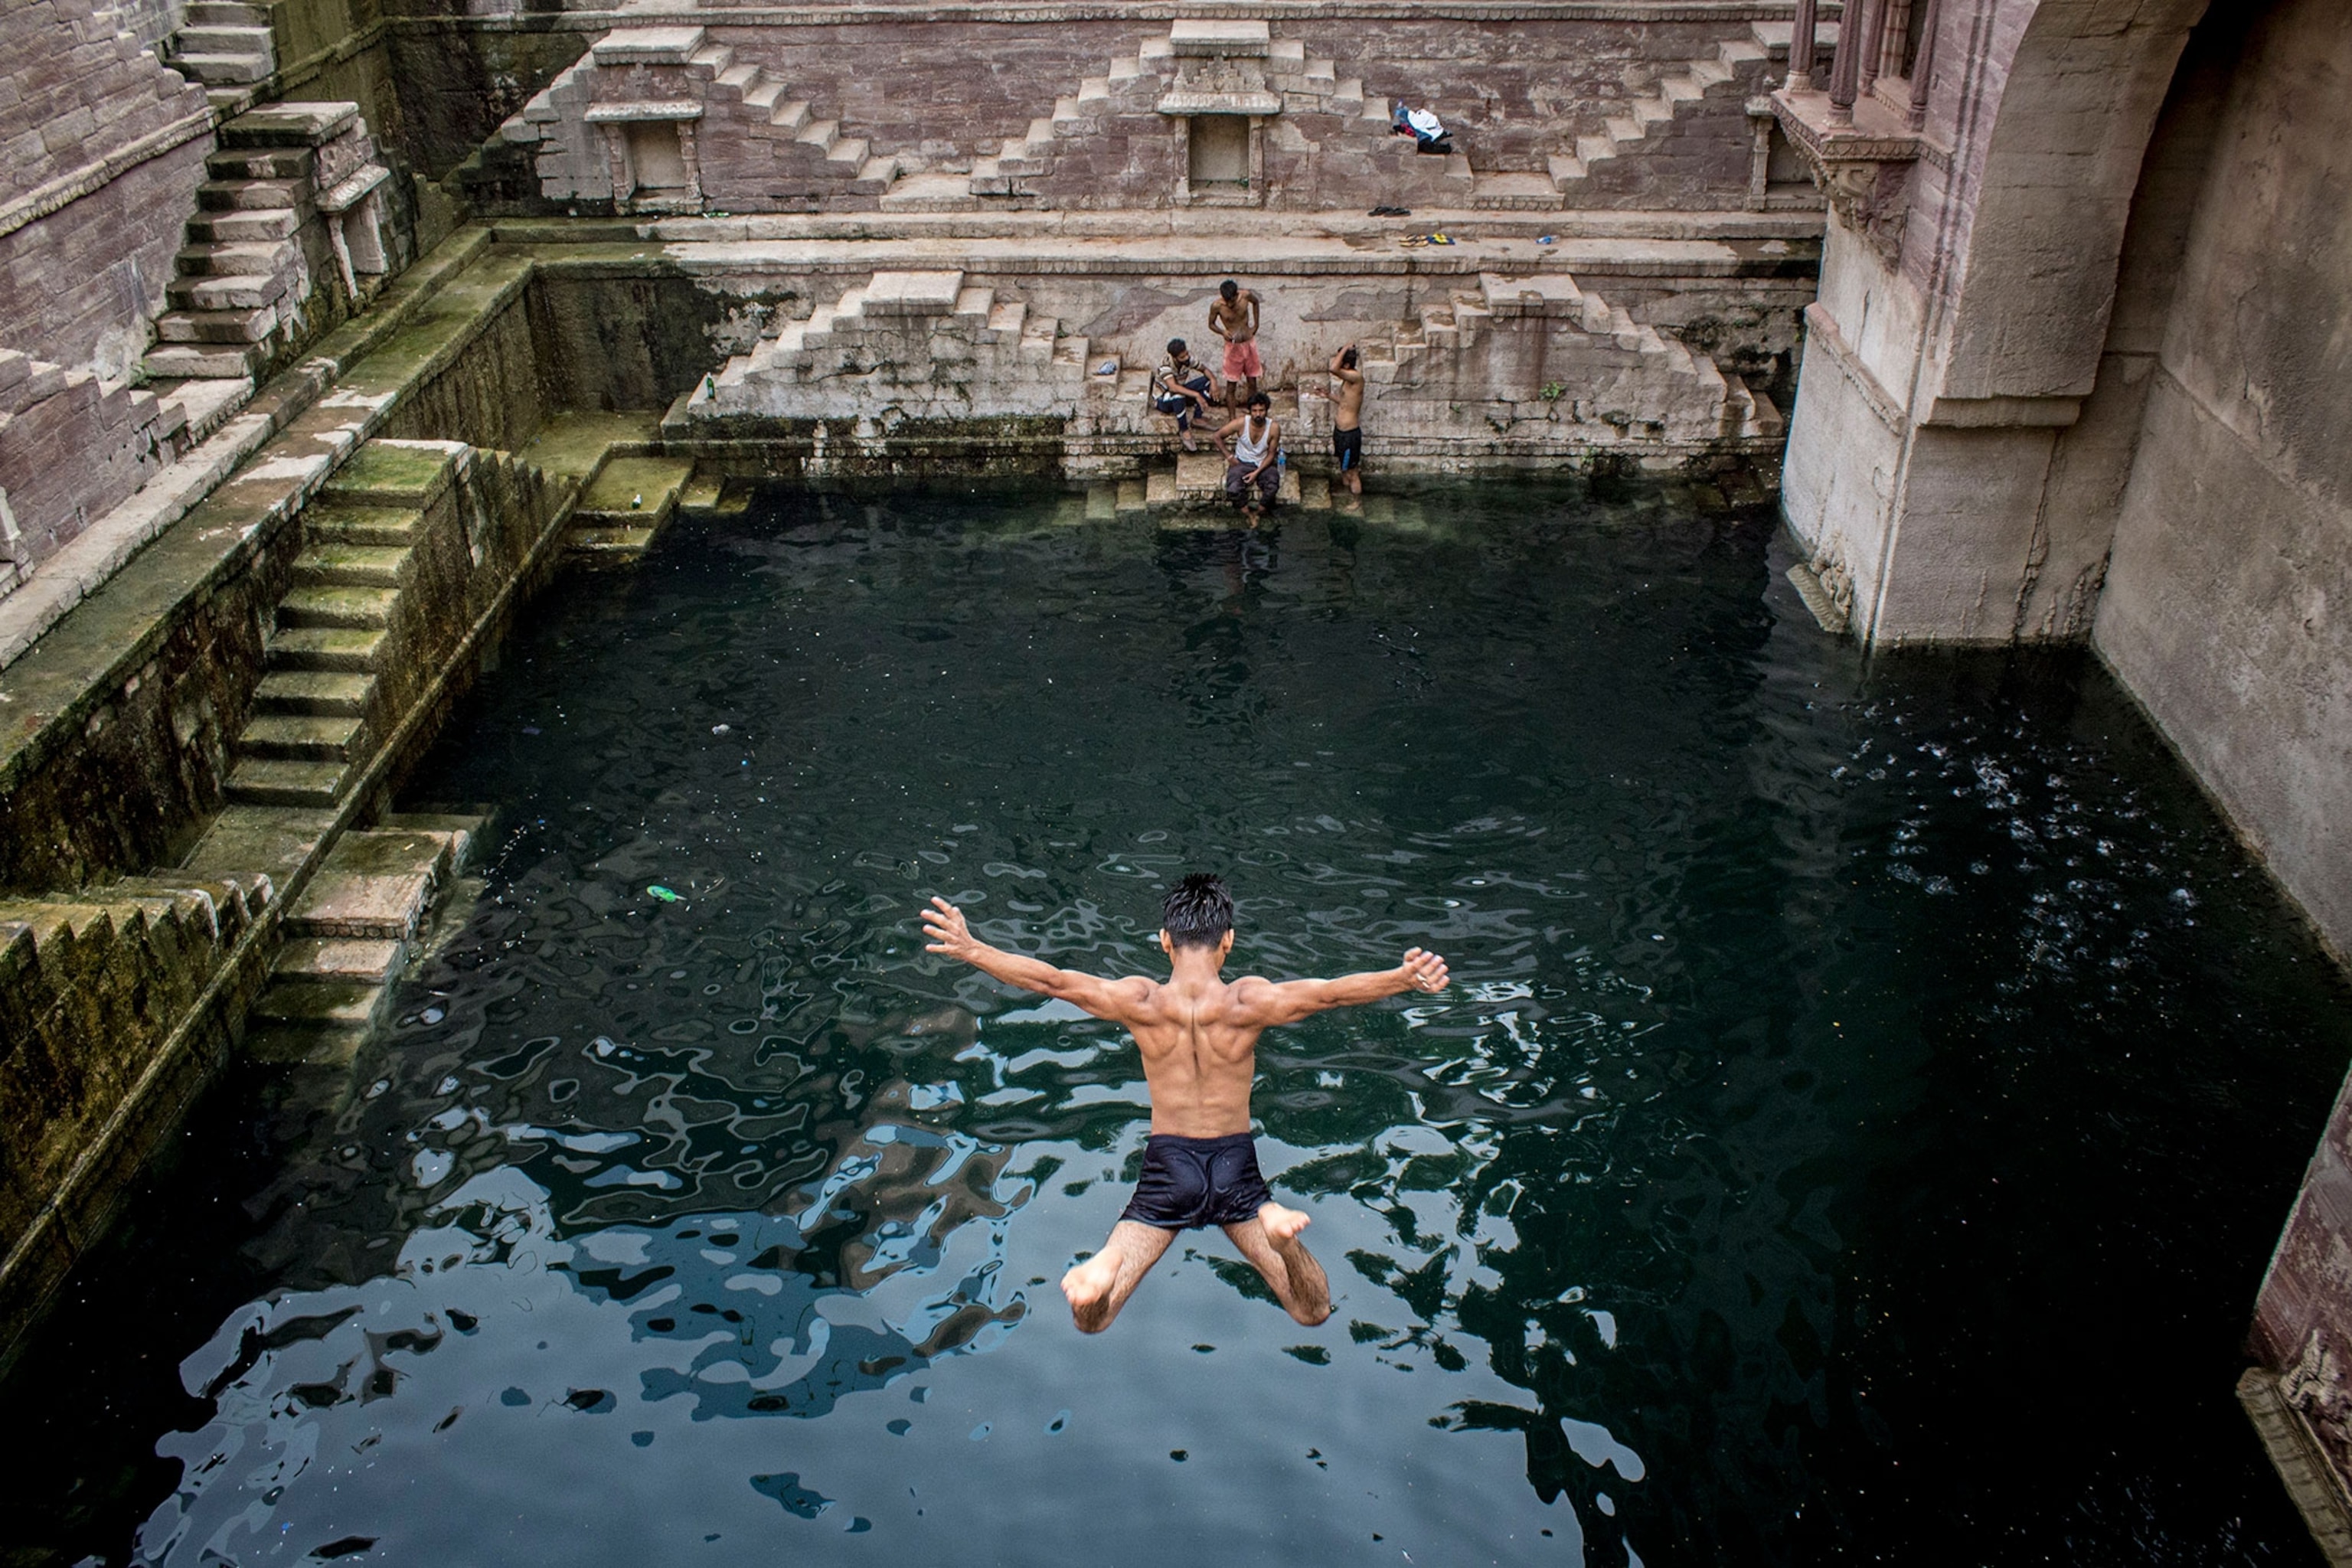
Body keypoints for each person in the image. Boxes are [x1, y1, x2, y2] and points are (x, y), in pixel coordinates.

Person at [920, 875, 1449, 1334]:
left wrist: (973, 949)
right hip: (1237, 1170)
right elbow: (1331, 993)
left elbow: (1052, 981)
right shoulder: (1249, 1001)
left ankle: (1104, 1266)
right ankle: (1283, 1240)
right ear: (1229, 942)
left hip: (1167, 1170)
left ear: (1165, 942)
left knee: (1093, 1319)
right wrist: (1402, 978)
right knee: (1312, 1310)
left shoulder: (1140, 1001)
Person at [1214, 391, 1282, 520]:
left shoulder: (1273, 428)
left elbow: (1271, 454)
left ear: (1266, 411)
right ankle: (1248, 514)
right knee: (1233, 489)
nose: (1258, 414)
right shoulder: (1240, 423)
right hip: (1242, 462)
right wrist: (1229, 457)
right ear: (1250, 411)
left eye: (1261, 410)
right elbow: (1217, 436)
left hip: (1263, 463)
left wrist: (1256, 473)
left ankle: (1259, 513)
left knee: (1272, 485)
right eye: (1254, 411)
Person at [1150, 338, 1218, 452]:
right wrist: (1196, 395)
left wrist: (1214, 381)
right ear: (1174, 357)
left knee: (1207, 381)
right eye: (1182, 357)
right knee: (1178, 395)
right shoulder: (1165, 365)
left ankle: (1197, 418)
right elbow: (1173, 387)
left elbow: (1205, 370)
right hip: (1164, 399)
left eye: (1186, 354)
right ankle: (1184, 430)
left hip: (1180, 392)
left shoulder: (1188, 360)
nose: (1186, 358)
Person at [1208, 279, 1263, 411]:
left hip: (1249, 344)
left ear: (1236, 294)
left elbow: (1256, 303)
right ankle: (1232, 419)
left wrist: (1256, 324)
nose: (1230, 304)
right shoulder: (1217, 306)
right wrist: (1222, 332)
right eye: (1227, 301)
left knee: (1252, 382)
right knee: (1231, 385)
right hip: (1232, 348)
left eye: (1232, 300)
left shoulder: (1245, 296)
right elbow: (1211, 324)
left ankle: (1252, 414)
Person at [1328, 344, 1365, 504]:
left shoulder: (1356, 378)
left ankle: (1356, 502)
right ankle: (1346, 494)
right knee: (1343, 468)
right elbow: (1345, 403)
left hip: (1350, 434)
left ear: (1347, 365)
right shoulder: (1347, 382)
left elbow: (1333, 369)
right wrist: (1327, 395)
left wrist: (1345, 349)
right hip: (1340, 432)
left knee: (1352, 472)